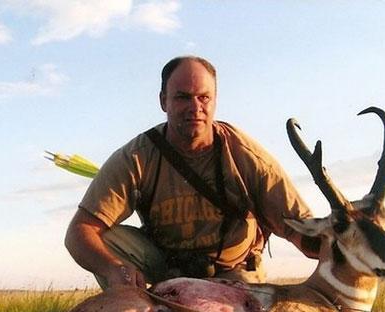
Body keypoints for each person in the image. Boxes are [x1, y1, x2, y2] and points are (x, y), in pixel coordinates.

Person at [65, 56, 319, 289]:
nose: (195, 107)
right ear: (163, 101)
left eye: (204, 97)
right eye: (183, 97)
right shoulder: (137, 157)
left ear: (215, 100)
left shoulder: (246, 156)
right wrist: (114, 269)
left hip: (234, 274)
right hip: (167, 272)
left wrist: (348, 240)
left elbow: (302, 231)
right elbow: (79, 231)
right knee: (107, 240)